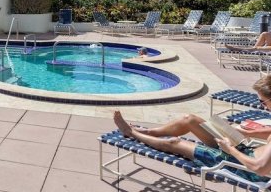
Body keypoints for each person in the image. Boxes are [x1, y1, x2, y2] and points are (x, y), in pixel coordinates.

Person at [113, 75, 271, 183]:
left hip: (241, 166)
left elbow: (260, 168)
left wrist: (230, 150)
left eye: (263, 102)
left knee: (174, 143)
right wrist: (248, 132)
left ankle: (131, 132)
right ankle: (148, 132)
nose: (261, 106)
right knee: (191, 120)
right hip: (244, 152)